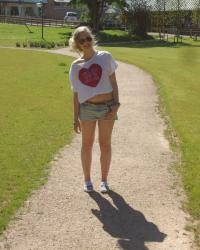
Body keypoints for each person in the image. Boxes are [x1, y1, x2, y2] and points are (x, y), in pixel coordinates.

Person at [68, 26, 120, 193]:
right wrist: (75, 118)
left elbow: (113, 82)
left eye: (88, 38)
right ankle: (87, 180)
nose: (86, 42)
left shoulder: (105, 57)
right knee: (87, 144)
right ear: (77, 44)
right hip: (87, 109)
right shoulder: (75, 66)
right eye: (81, 40)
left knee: (105, 144)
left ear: (92, 38)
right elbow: (76, 94)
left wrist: (116, 103)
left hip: (107, 108)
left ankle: (104, 181)